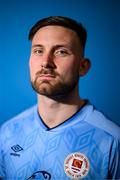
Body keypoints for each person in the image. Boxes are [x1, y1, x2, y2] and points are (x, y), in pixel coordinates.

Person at [0, 16, 120, 180]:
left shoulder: (111, 141)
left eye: (61, 52)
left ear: (83, 67)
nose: (46, 62)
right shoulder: (8, 132)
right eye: (38, 51)